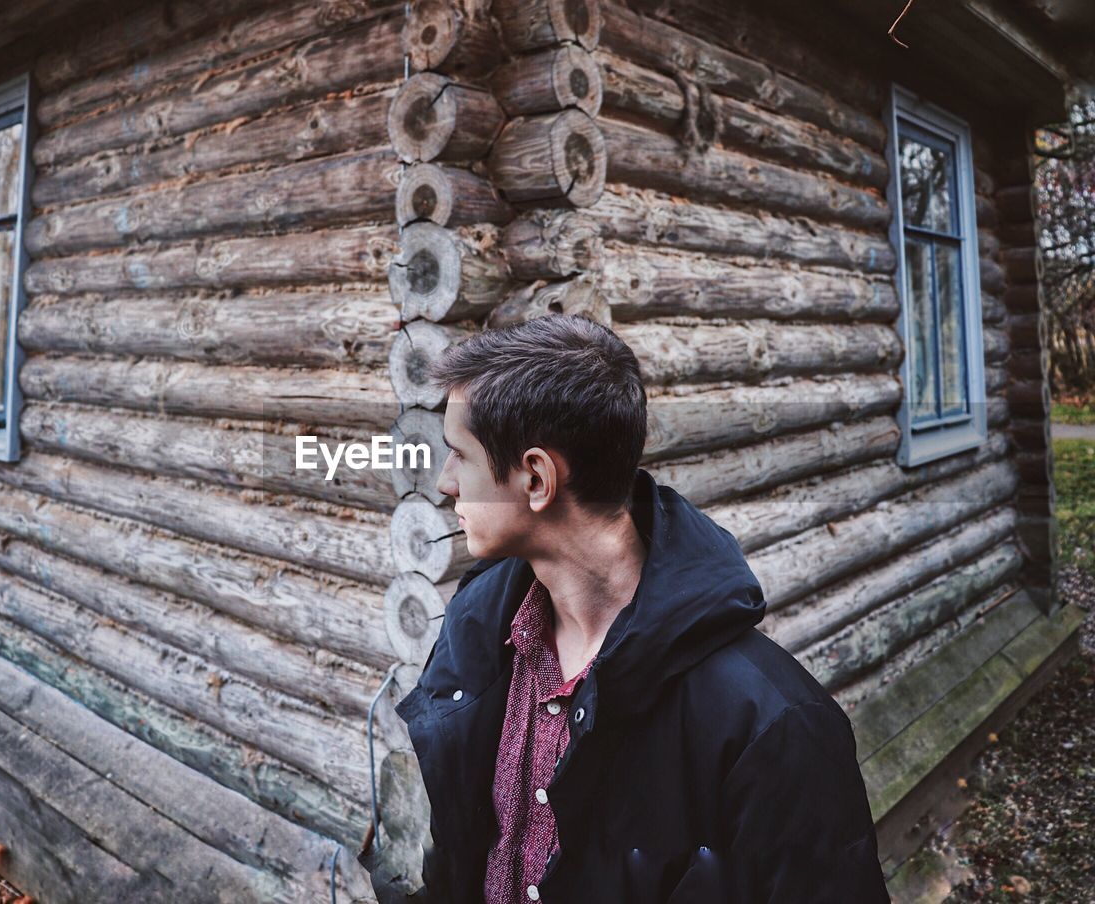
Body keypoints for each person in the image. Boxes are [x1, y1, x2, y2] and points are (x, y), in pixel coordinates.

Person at [365, 315, 891, 903]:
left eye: (460, 456)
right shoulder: (477, 635)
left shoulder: (775, 726)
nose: (444, 483)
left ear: (536, 478)